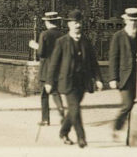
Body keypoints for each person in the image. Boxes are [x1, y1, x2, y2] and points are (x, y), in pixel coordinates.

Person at [44, 9, 104, 148]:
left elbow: (93, 62)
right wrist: (49, 82)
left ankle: (63, 131)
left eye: (80, 23)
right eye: (75, 23)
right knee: (75, 108)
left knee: (72, 110)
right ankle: (81, 138)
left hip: (82, 83)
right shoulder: (62, 42)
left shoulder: (86, 42)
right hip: (68, 82)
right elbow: (53, 64)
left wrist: (99, 79)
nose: (78, 25)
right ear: (70, 24)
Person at [29, 11, 65, 126]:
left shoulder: (44, 34)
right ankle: (61, 109)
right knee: (55, 92)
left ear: (48, 22)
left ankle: (45, 119)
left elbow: (41, 53)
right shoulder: (62, 34)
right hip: (58, 67)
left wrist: (35, 46)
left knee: (44, 94)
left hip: (46, 68)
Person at [109, 8, 137, 143]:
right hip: (124, 77)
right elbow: (113, 58)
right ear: (125, 20)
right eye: (130, 20)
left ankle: (130, 138)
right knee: (127, 105)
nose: (133, 23)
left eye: (135, 21)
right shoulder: (118, 36)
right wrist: (113, 78)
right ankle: (116, 127)